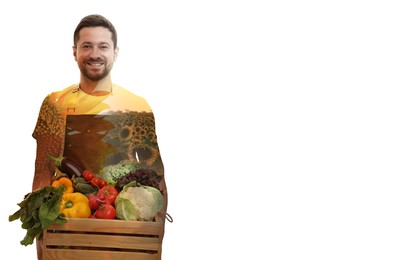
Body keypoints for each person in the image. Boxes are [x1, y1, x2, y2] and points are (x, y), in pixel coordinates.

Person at [31, 14, 168, 259]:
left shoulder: (137, 106)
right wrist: (43, 242)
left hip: (123, 236)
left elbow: (157, 176)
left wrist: (153, 238)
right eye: (87, 46)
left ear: (116, 52)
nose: (95, 54)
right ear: (74, 52)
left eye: (103, 46)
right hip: (67, 230)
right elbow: (42, 171)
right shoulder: (55, 104)